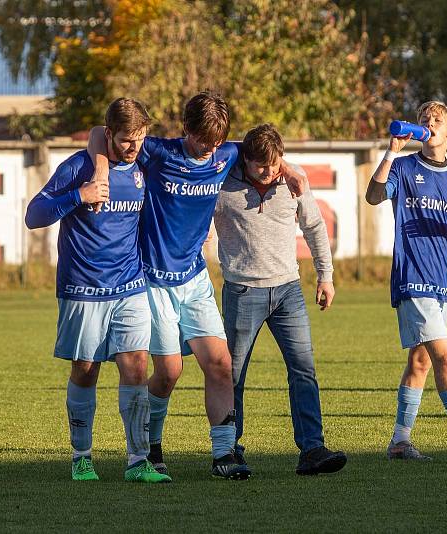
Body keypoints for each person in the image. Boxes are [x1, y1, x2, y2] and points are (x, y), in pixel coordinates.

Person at [88, 92, 305, 480]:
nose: (210, 149)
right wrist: (101, 171)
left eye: (218, 141)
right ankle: (152, 446)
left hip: (195, 278)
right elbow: (96, 134)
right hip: (153, 280)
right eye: (203, 140)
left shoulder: (224, 154)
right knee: (169, 371)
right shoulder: (158, 153)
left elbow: (257, 149)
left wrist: (286, 166)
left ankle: (224, 455)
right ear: (186, 129)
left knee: (220, 364)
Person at [25, 98, 170, 483]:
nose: (133, 147)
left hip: (131, 284)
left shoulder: (142, 166)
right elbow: (33, 215)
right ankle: (82, 456)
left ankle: (137, 461)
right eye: (125, 140)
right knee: (86, 371)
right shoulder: (78, 166)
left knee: (136, 366)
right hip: (83, 288)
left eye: (139, 138)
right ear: (108, 134)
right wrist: (78, 196)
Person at [365, 101, 447, 462]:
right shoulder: (405, 168)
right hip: (412, 277)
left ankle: (399, 441)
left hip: (442, 280)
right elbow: (373, 196)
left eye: (437, 119)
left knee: (420, 363)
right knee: (445, 358)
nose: (429, 122)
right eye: (424, 118)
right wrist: (391, 153)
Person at [214, 124, 347, 476]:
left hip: (288, 290)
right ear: (245, 159)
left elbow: (315, 227)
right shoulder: (221, 181)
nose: (269, 172)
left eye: (275, 164)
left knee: (303, 369)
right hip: (243, 291)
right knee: (234, 375)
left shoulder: (294, 178)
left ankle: (312, 450)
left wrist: (326, 275)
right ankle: (230, 450)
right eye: (261, 166)